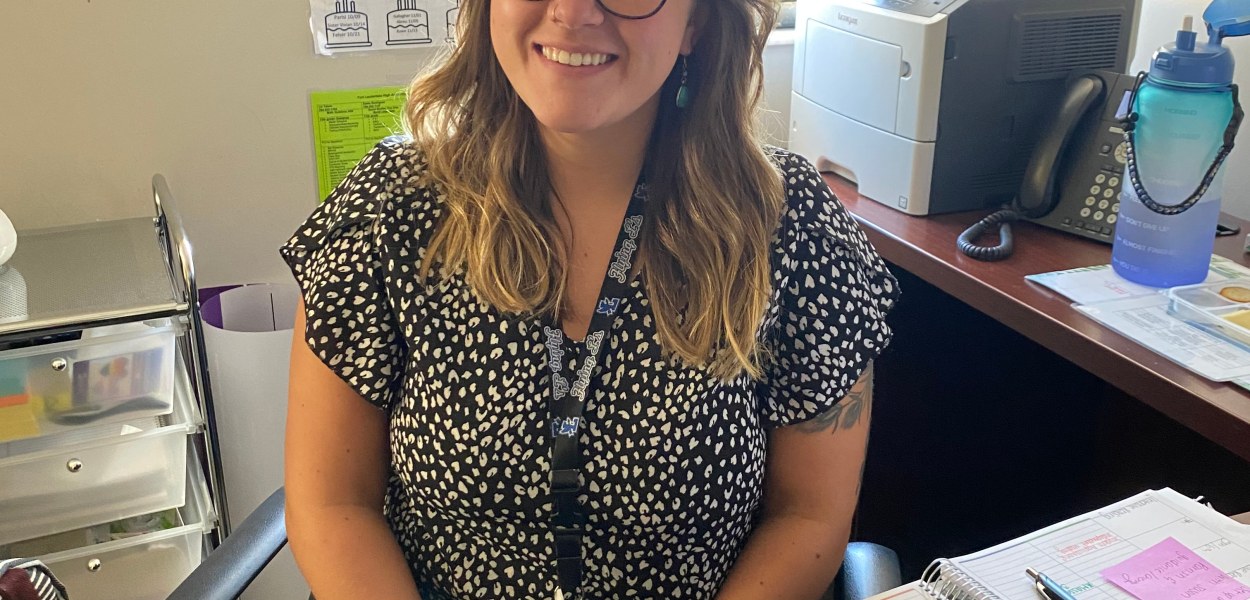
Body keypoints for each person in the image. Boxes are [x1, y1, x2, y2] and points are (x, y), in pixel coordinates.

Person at [280, 0, 900, 598]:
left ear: (697, 23)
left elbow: (808, 516)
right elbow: (333, 503)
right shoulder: (391, 207)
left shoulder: (788, 224)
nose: (573, 12)